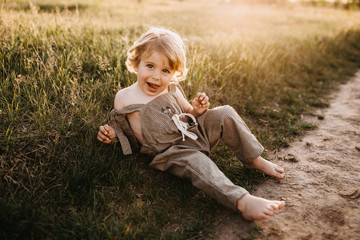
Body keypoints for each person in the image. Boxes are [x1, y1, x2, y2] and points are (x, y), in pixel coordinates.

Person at [97, 27, 285, 221]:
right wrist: (110, 136)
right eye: (150, 66)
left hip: (192, 133)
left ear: (174, 73)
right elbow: (121, 132)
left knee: (225, 112)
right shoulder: (125, 97)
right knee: (198, 163)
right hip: (170, 151)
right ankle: (242, 200)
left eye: (165, 70)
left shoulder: (172, 89)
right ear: (137, 63)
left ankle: (251, 158)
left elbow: (189, 114)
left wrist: (198, 109)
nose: (156, 76)